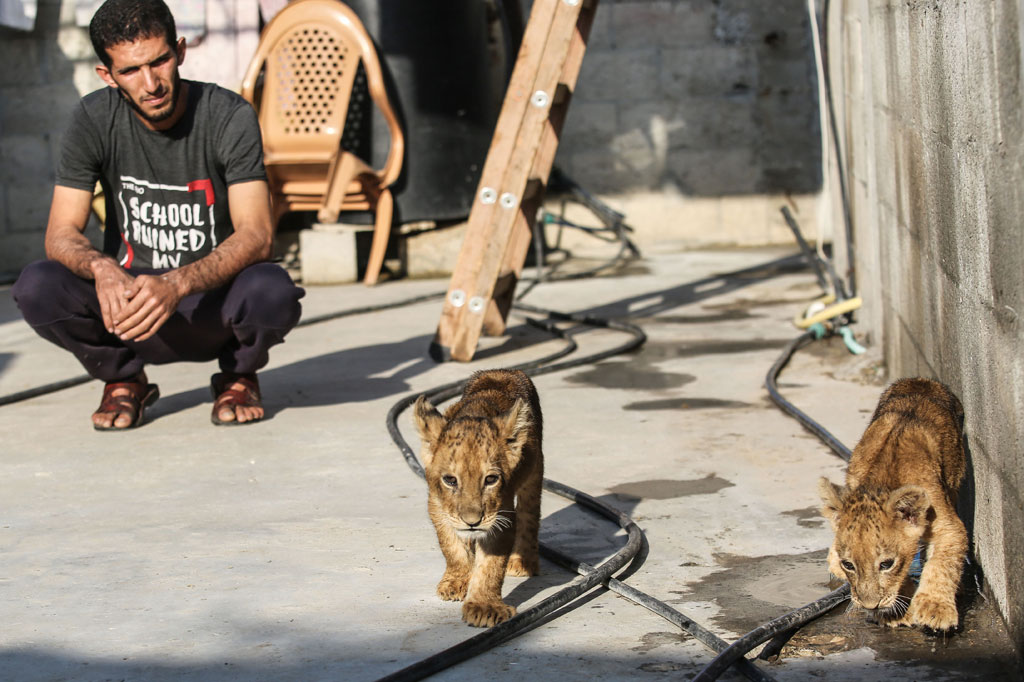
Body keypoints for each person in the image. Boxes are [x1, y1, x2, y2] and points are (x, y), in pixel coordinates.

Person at [12, 0, 304, 430]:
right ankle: (123, 380)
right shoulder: (93, 119)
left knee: (272, 290)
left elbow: (257, 234)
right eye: (130, 71)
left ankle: (238, 374)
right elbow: (60, 233)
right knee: (37, 285)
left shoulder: (228, 115)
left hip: (211, 306)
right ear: (107, 76)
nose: (151, 83)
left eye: (160, 61)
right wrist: (101, 268)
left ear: (180, 51)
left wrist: (177, 281)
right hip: (127, 311)